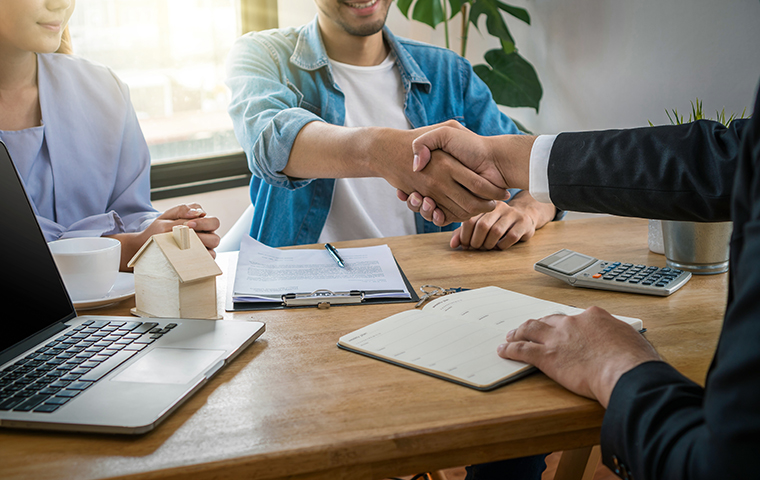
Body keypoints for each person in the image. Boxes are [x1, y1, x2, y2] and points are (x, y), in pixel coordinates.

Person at [401, 82, 759, 479]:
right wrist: (503, 160)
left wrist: (621, 366)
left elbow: (729, 464)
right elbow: (732, 156)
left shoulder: (453, 75)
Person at [225, 0, 558, 251]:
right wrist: (381, 153)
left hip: (427, 290)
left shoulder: (448, 72)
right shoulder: (263, 55)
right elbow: (270, 143)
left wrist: (528, 210)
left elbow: (539, 173)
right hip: (301, 292)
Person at [0, 0, 220, 271]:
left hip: (111, 309)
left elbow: (128, 212)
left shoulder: (104, 89)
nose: (62, 3)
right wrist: (124, 249)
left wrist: (164, 233)